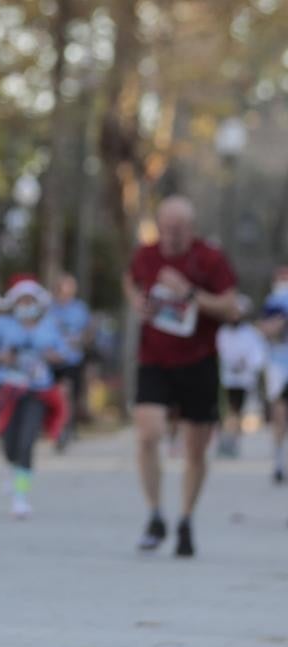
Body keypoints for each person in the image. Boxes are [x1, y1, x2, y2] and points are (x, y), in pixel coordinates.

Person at [122, 195, 238, 558]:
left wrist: (188, 292)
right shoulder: (147, 254)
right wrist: (136, 302)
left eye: (178, 228)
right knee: (148, 433)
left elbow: (231, 307)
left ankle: (185, 519)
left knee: (195, 449)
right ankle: (156, 514)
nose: (170, 235)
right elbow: (130, 279)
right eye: (165, 227)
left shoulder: (210, 258)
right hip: (154, 357)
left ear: (192, 228)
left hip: (199, 361)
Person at [0, 276, 70, 518]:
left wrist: (51, 355)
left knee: (27, 442)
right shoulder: (1, 324)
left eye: (30, 301)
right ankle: (13, 468)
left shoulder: (50, 324)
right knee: (10, 444)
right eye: (22, 301)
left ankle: (21, 497)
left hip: (37, 391)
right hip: (7, 389)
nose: (26, 305)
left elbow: (65, 354)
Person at [216, 294, 264, 458]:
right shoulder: (221, 332)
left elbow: (257, 355)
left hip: (242, 380)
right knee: (225, 411)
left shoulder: (250, 333)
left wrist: (245, 364)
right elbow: (219, 352)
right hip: (224, 379)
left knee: (236, 411)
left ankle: (232, 442)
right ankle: (224, 440)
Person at [48, 272, 92, 450]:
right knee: (55, 395)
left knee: (68, 393)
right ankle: (56, 426)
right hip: (51, 358)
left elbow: (88, 333)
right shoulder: (49, 308)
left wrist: (80, 339)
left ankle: (67, 427)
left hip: (73, 359)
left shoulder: (80, 308)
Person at [259, 272, 288, 483]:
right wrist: (278, 325)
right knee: (280, 412)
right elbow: (265, 329)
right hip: (279, 364)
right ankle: (278, 461)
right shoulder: (273, 302)